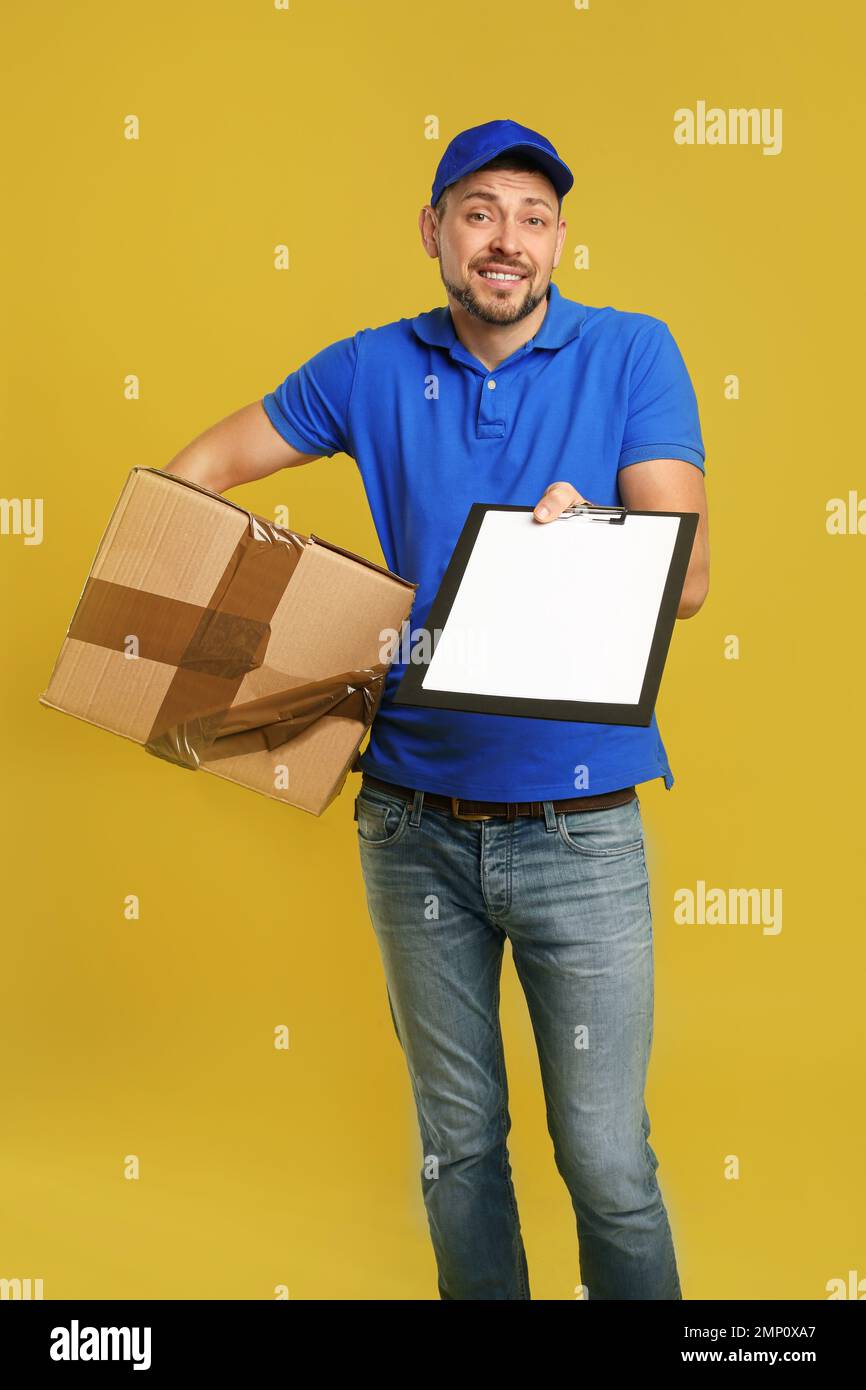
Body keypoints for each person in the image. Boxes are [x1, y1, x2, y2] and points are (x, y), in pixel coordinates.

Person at [165, 118, 710, 1300]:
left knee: (606, 1160)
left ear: (559, 239)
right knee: (458, 1151)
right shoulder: (367, 366)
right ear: (433, 231)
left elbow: (692, 576)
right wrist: (280, 623)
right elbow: (191, 481)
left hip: (578, 826)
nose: (503, 240)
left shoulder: (629, 353)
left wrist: (589, 547)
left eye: (529, 216)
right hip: (408, 826)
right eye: (477, 212)